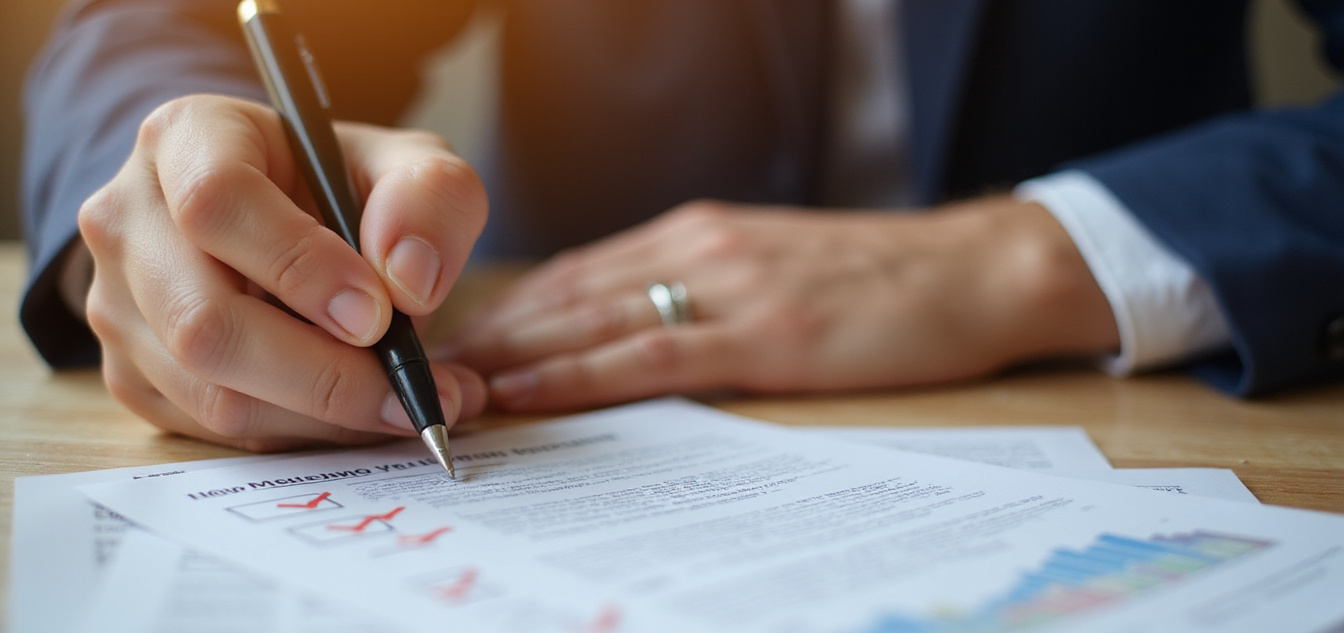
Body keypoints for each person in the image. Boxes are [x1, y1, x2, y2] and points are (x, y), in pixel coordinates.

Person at [20, 0, 1344, 452]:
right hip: (546, 395)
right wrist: (172, 185)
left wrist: (1035, 252)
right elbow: (154, 31)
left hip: (1128, 384)